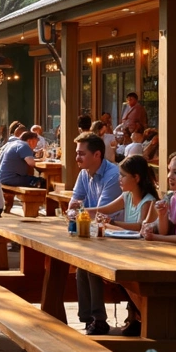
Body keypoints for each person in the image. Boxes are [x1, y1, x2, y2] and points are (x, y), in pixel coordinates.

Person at [77, 155, 159, 335]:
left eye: (123, 176)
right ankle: (89, 317)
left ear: (136, 178)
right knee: (83, 267)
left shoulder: (149, 200)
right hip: (124, 250)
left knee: (92, 268)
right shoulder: (127, 196)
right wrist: (80, 211)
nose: (119, 179)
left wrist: (112, 222)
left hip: (141, 255)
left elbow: (140, 226)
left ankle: (103, 319)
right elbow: (103, 210)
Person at [66, 133, 122, 334]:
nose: (77, 158)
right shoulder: (84, 173)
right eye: (77, 153)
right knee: (82, 266)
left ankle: (98, 319)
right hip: (96, 233)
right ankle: (89, 317)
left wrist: (77, 211)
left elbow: (102, 211)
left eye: (81, 154)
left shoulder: (113, 175)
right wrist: (75, 209)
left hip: (118, 233)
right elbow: (74, 202)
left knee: (89, 266)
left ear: (97, 154)